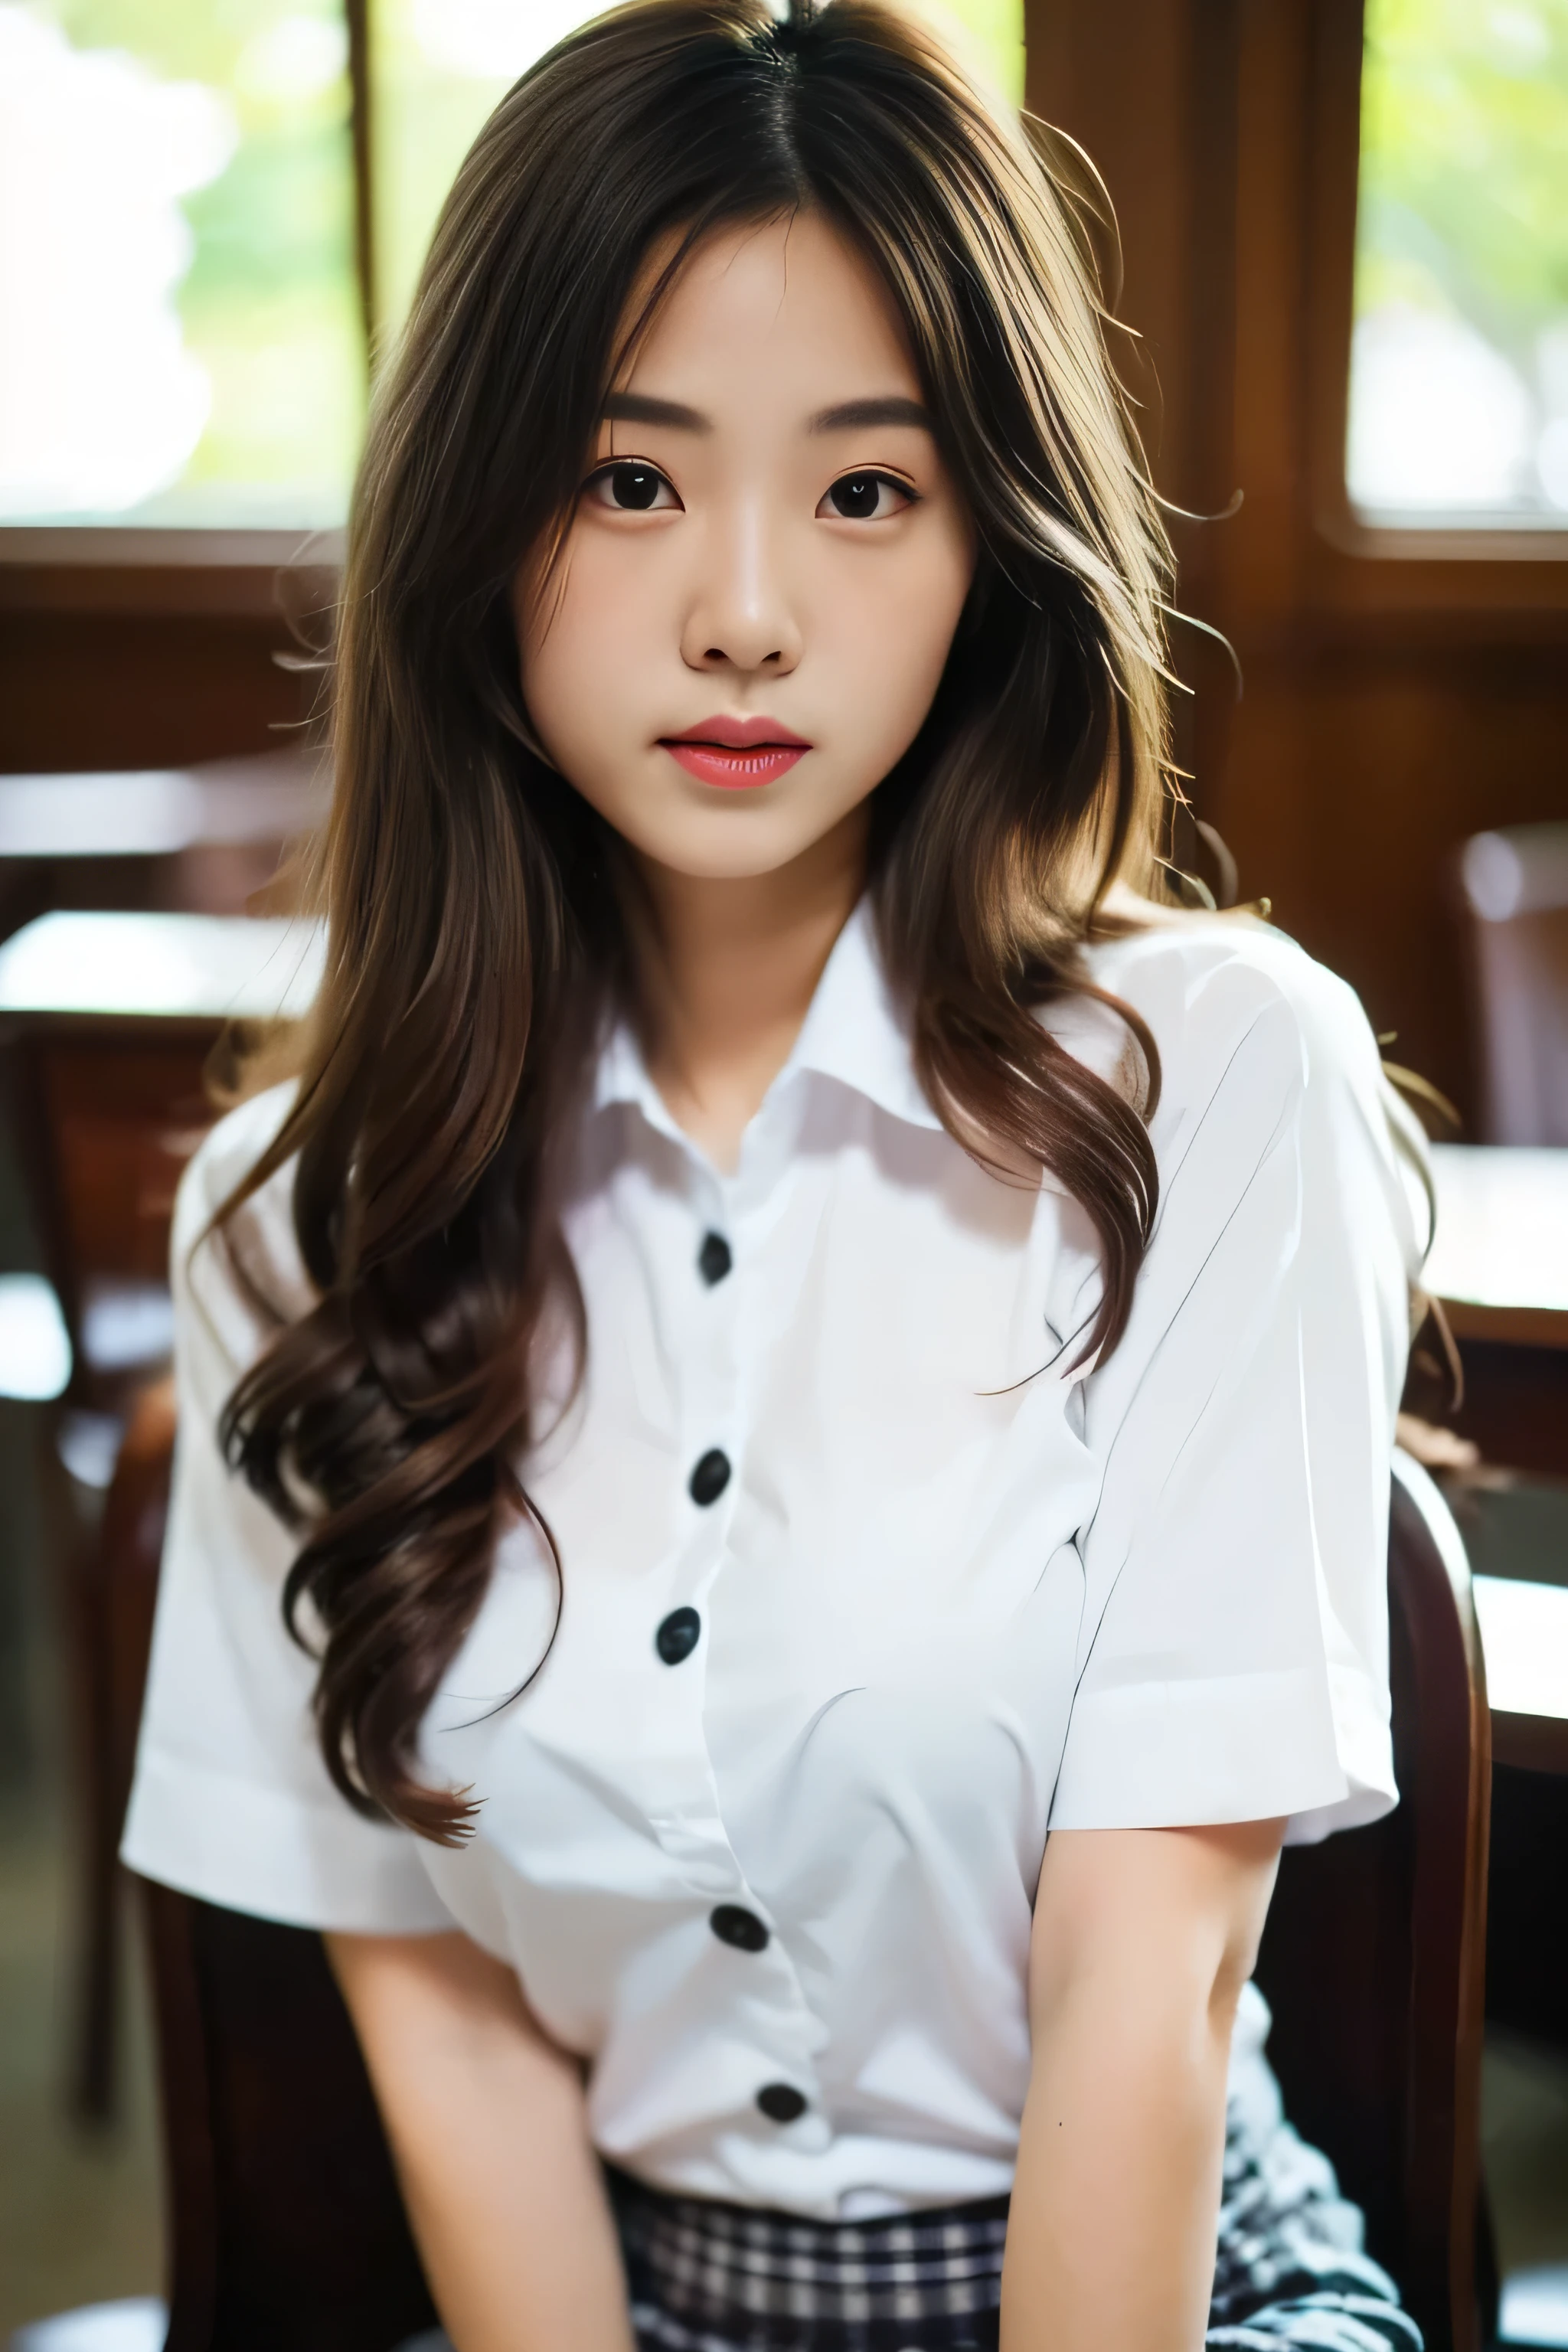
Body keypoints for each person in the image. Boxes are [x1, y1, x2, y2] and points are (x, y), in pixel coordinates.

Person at [122, 4, 1434, 2347]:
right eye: (630, 481)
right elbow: (439, 2015)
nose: (744, 605)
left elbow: (1152, 1975)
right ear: (476, 516)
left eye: (864, 488)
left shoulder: (1225, 1080)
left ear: (990, 545)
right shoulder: (294, 1221)